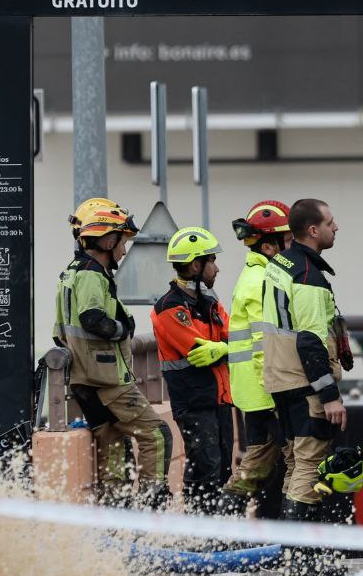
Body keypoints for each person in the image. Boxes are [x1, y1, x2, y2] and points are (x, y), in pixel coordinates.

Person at [53, 202, 173, 509]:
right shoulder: (92, 276)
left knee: (115, 447)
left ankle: (116, 518)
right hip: (105, 378)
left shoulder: (71, 273)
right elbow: (93, 317)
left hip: (84, 379)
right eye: (123, 241)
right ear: (108, 241)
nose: (124, 250)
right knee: (156, 434)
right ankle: (151, 504)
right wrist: (123, 329)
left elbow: (60, 332)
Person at [260, 198, 352, 576]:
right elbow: (311, 341)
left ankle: (295, 559)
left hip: (280, 379)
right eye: (331, 222)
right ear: (313, 231)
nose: (336, 228)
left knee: (296, 462)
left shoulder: (280, 264)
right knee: (309, 464)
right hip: (304, 381)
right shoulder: (308, 275)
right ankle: (303, 562)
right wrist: (329, 395)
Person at [150, 226, 233, 515]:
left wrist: (223, 348)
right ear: (196, 265)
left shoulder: (210, 302)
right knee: (204, 468)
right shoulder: (169, 308)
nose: (217, 268)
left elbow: (233, 335)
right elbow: (198, 350)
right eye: (212, 261)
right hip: (195, 402)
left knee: (222, 467)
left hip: (221, 398)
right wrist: (224, 347)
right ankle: (200, 533)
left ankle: (218, 533)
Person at [218, 201, 293, 517]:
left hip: (254, 390)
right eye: (287, 241)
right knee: (280, 463)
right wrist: (278, 390)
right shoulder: (265, 279)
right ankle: (222, 531)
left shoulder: (254, 274)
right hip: (266, 391)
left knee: (262, 465)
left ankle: (227, 529)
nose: (292, 246)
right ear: (269, 244)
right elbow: (266, 342)